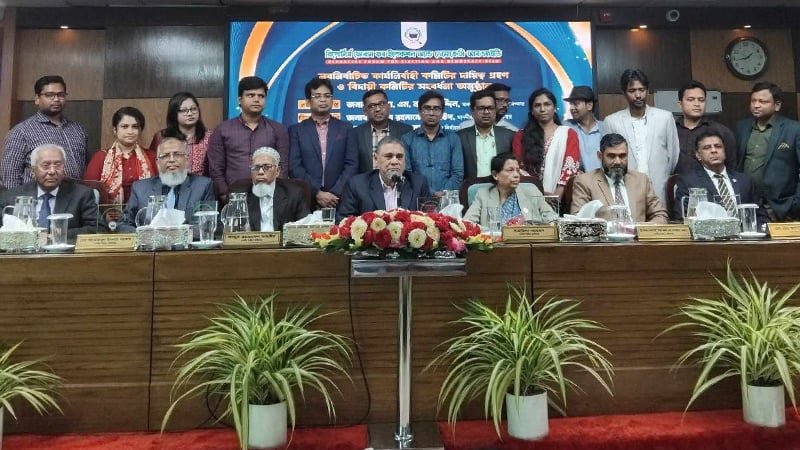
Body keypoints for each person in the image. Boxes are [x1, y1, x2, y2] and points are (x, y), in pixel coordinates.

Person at [207, 76, 289, 204]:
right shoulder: (222, 130)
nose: (256, 99)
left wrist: (276, 195)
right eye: (251, 95)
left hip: (269, 197)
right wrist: (224, 194)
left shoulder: (278, 129)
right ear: (240, 100)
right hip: (233, 197)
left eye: (261, 96)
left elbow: (282, 167)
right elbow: (215, 167)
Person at [604, 69, 679, 205]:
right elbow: (608, 158)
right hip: (626, 188)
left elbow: (673, 156)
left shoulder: (665, 118)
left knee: (659, 219)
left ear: (648, 91)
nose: (638, 95)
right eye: (632, 91)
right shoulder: (612, 122)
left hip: (659, 189)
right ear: (624, 93)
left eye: (641, 90)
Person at [1, 75, 88, 188]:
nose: (56, 99)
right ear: (37, 98)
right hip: (36, 197)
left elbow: (85, 169)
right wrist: (16, 199)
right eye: (50, 95)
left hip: (74, 197)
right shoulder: (21, 132)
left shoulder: (78, 130)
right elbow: (9, 176)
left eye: (61, 95)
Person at [288, 76, 358, 209]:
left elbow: (352, 164)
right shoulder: (296, 130)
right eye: (317, 96)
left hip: (339, 199)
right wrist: (317, 193)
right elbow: (294, 167)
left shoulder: (346, 128)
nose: (323, 100)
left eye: (327, 96)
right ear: (308, 101)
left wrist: (335, 193)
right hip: (308, 199)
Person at [735, 81, 800, 221]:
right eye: (753, 101)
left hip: (781, 206)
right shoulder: (741, 127)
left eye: (763, 101)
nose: (756, 105)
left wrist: (795, 203)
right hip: (747, 203)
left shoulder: (794, 130)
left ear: (777, 105)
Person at [1, 144, 97, 238]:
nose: (52, 171)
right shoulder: (12, 197)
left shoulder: (81, 195)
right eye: (46, 166)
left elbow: (97, 228)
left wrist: (57, 235)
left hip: (63, 248)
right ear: (33, 171)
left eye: (58, 165)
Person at [571, 133, 668, 224]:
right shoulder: (585, 182)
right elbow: (577, 221)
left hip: (638, 235)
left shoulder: (641, 180)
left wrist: (640, 230)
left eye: (622, 156)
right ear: (600, 156)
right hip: (605, 236)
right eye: (611, 156)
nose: (617, 161)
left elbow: (660, 215)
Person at [673, 130, 766, 223]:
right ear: (698, 155)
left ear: (724, 151)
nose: (714, 151)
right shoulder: (688, 182)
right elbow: (683, 218)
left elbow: (761, 215)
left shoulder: (744, 181)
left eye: (718, 146)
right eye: (707, 148)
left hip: (745, 231)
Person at [122, 137, 215, 228]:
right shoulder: (140, 188)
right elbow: (123, 224)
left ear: (187, 160)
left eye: (177, 154)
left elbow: (209, 225)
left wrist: (178, 234)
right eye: (165, 156)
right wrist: (143, 235)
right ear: (157, 163)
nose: (171, 160)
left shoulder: (203, 186)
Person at [337, 137, 429, 222]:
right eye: (388, 156)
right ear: (376, 159)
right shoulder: (358, 185)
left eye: (399, 157)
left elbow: (429, 220)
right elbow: (344, 221)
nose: (394, 162)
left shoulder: (418, 183)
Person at [511, 88, 581, 198]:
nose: (542, 109)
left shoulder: (568, 134)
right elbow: (517, 167)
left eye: (547, 104)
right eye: (537, 105)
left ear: (554, 107)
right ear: (532, 111)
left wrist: (556, 196)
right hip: (528, 195)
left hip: (561, 196)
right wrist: (536, 194)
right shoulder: (521, 135)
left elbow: (570, 167)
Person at [84, 107, 157, 204]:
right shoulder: (101, 157)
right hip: (109, 212)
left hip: (144, 211)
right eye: (125, 126)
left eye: (135, 127)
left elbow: (160, 188)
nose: (130, 132)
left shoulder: (151, 157)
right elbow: (89, 191)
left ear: (140, 130)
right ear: (115, 130)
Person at [401, 90, 464, 197]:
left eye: (436, 109)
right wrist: (431, 193)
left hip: (447, 198)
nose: (431, 113)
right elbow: (407, 173)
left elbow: (458, 173)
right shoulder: (407, 139)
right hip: (417, 197)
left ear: (442, 113)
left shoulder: (453, 138)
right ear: (419, 111)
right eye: (427, 108)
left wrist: (443, 193)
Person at [230, 147, 309, 232]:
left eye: (267, 167)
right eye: (256, 167)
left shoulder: (294, 194)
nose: (260, 172)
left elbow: (305, 228)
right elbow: (227, 228)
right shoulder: (239, 195)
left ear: (277, 171)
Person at [464, 152, 554, 227]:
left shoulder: (532, 191)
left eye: (517, 170)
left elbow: (552, 218)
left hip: (529, 241)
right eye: (510, 170)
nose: (516, 175)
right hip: (495, 242)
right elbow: (468, 223)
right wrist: (489, 232)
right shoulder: (483, 195)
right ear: (495, 175)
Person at [674, 80, 737, 174]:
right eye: (691, 99)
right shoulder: (672, 130)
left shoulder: (720, 131)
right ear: (680, 104)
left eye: (701, 100)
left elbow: (731, 166)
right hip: (677, 182)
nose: (697, 104)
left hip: (711, 182)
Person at [148, 92, 212, 176]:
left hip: (201, 182)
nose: (190, 113)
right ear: (174, 113)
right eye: (184, 110)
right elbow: (154, 164)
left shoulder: (209, 137)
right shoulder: (161, 137)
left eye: (193, 109)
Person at [457, 90, 515, 179]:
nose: (486, 112)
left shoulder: (509, 136)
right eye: (481, 108)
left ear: (495, 110)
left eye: (490, 108)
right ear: (472, 111)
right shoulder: (460, 137)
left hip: (501, 186)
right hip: (471, 186)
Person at [353, 88, 413, 173]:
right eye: (372, 106)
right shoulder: (356, 134)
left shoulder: (405, 130)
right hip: (367, 181)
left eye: (381, 104)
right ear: (365, 111)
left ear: (389, 106)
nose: (378, 109)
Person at [564, 85, 607, 172]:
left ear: (589, 105)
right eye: (570, 104)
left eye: (576, 104)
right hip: (577, 179)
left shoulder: (605, 128)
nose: (571, 108)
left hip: (603, 178)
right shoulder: (565, 127)